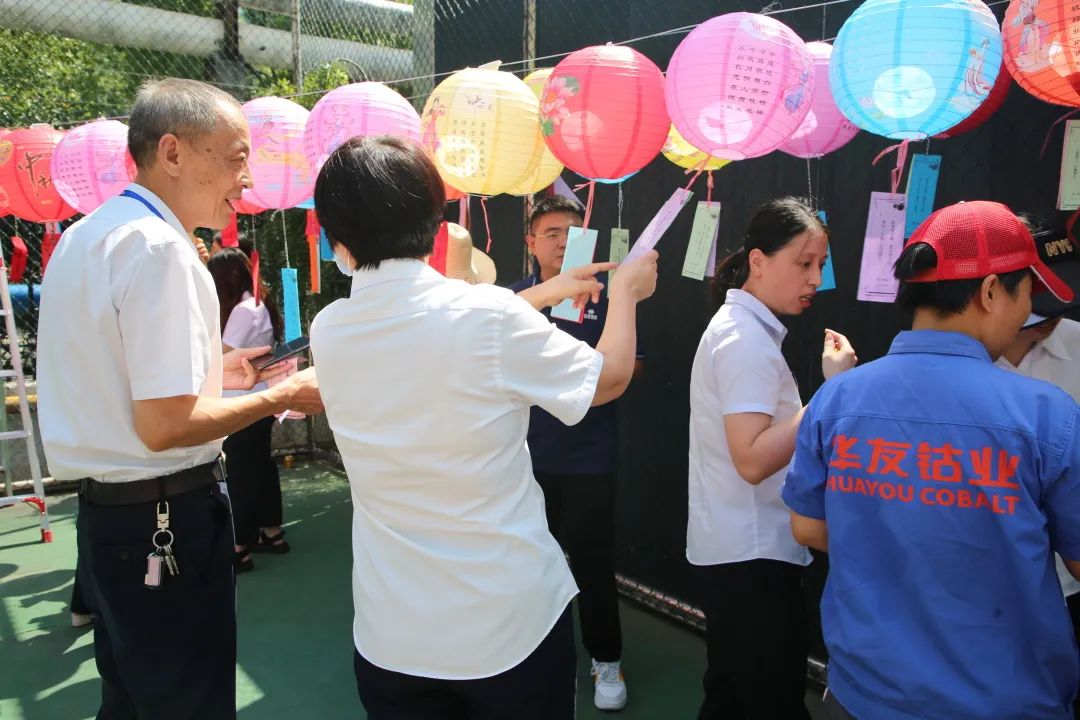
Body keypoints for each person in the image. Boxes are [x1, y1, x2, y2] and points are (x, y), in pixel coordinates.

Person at [308, 134, 658, 719]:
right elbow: (611, 377)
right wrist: (625, 294)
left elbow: (445, 328)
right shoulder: (488, 317)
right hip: (506, 626)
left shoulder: (330, 329)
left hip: (392, 633)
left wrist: (545, 293)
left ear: (337, 240)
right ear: (435, 222)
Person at [36, 78, 322, 720]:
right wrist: (282, 394)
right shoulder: (161, 248)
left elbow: (117, 381)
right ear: (172, 152)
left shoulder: (89, 235)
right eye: (236, 157)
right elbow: (166, 426)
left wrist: (215, 374)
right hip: (164, 517)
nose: (246, 179)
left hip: (109, 519)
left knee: (130, 699)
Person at [782, 201, 1080, 720]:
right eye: (1027, 292)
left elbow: (807, 527)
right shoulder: (1046, 414)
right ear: (991, 291)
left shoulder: (837, 398)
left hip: (863, 694)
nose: (1027, 312)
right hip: (1003, 701)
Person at [687, 197, 857, 720]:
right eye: (803, 263)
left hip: (740, 547)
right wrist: (832, 394)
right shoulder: (743, 340)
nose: (815, 278)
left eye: (820, 264)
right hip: (752, 555)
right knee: (771, 699)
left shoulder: (743, 331)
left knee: (732, 696)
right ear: (758, 261)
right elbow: (753, 459)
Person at [507, 196, 640, 711]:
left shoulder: (609, 295)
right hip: (523, 460)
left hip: (588, 457)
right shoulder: (513, 302)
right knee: (526, 565)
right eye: (552, 233)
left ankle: (607, 660)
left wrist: (587, 369)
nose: (563, 241)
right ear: (531, 242)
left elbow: (630, 367)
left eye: (572, 232)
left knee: (592, 565)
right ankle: (528, 655)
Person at [208, 248, 290, 573]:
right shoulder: (256, 303)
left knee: (241, 473)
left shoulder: (243, 310)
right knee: (259, 468)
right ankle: (270, 532)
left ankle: (239, 545)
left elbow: (222, 352)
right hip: (258, 399)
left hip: (241, 402)